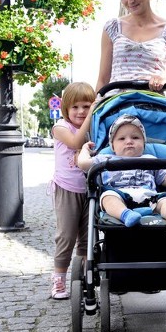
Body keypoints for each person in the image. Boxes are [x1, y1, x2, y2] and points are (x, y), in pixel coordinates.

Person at [78, 114, 166, 227]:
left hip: (150, 198)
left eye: (136, 137)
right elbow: (83, 164)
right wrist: (84, 150)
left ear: (144, 144)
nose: (129, 141)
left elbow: (164, 179)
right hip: (120, 196)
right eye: (121, 139)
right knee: (107, 198)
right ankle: (126, 215)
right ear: (112, 146)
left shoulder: (151, 159)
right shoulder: (105, 158)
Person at [49, 81, 96, 300]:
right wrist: (91, 116)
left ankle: (86, 278)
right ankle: (59, 279)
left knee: (87, 239)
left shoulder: (93, 127)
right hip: (67, 189)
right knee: (66, 235)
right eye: (75, 107)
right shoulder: (60, 128)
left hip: (90, 189)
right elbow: (76, 140)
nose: (81, 111)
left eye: (86, 106)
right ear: (66, 109)